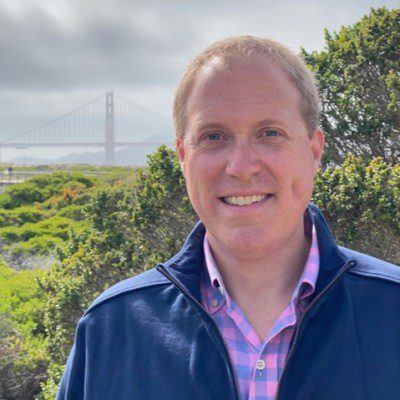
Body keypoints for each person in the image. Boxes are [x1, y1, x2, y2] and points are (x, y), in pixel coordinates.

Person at [56, 36, 400, 400]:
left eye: (270, 133)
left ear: (314, 152)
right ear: (183, 157)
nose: (240, 166)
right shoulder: (111, 329)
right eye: (214, 136)